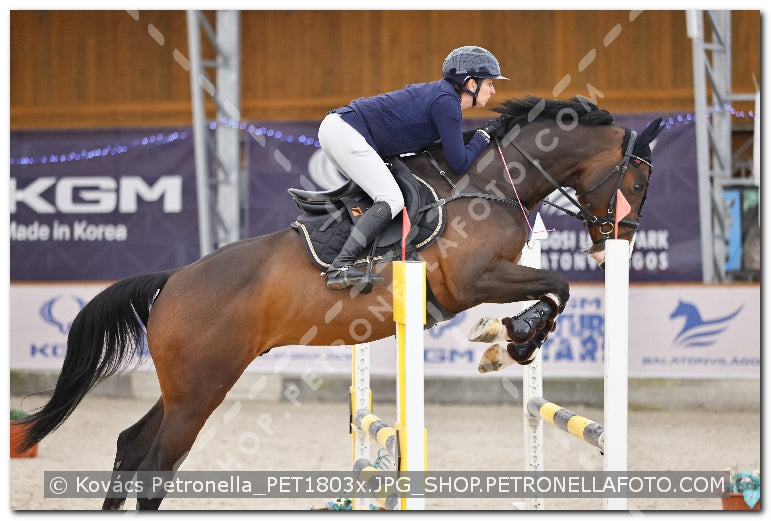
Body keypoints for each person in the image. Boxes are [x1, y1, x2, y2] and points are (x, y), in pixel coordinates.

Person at [318, 45, 508, 290]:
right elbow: (459, 163)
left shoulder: (444, 97)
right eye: (489, 83)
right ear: (471, 84)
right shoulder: (447, 103)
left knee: (387, 193)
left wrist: (481, 136)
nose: (493, 90)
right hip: (346, 132)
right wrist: (483, 136)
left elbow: (446, 150)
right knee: (391, 199)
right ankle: (340, 266)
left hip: (341, 129)